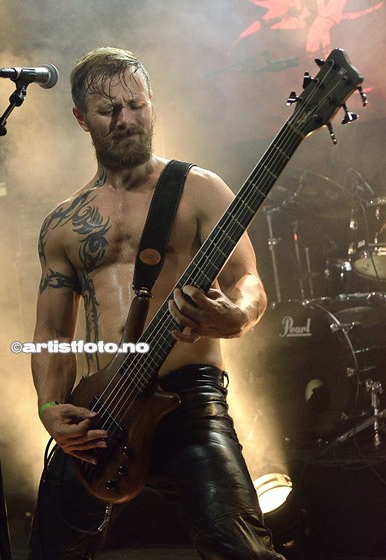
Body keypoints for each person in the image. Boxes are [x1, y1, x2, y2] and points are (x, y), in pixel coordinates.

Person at [28, 46, 285, 560]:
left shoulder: (199, 188)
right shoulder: (62, 222)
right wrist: (51, 409)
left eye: (136, 105)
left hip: (187, 401)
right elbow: (52, 334)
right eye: (109, 110)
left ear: (152, 104)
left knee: (243, 551)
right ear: (81, 118)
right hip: (101, 412)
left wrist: (234, 316)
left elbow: (247, 279)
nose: (126, 119)